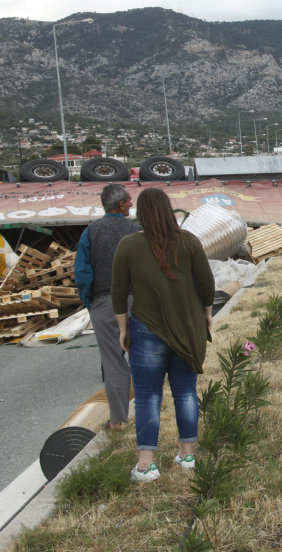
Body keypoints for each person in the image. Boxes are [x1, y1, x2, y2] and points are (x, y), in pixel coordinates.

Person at [113, 188, 215, 482]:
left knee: (147, 397)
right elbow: (206, 283)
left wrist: (122, 329)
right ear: (169, 210)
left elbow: (119, 292)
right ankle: (187, 455)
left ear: (140, 213)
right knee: (185, 391)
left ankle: (146, 465)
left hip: (146, 330)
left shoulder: (129, 245)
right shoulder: (189, 242)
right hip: (187, 328)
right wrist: (206, 314)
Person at [74, 184, 140, 430]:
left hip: (105, 302)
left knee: (113, 364)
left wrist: (90, 302)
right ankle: (147, 413)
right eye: (129, 201)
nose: (132, 204)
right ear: (121, 204)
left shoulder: (91, 231)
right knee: (143, 358)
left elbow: (82, 272)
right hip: (138, 302)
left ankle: (118, 420)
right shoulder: (137, 230)